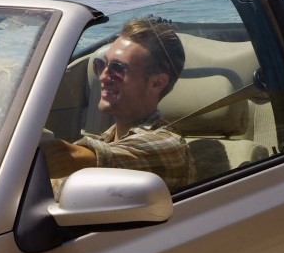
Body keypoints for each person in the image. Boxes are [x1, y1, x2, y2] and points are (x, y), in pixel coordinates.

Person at [41, 17, 196, 193]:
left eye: (118, 69)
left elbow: (66, 157)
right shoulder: (105, 140)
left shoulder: (168, 146)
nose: (103, 77)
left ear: (157, 83)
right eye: (101, 65)